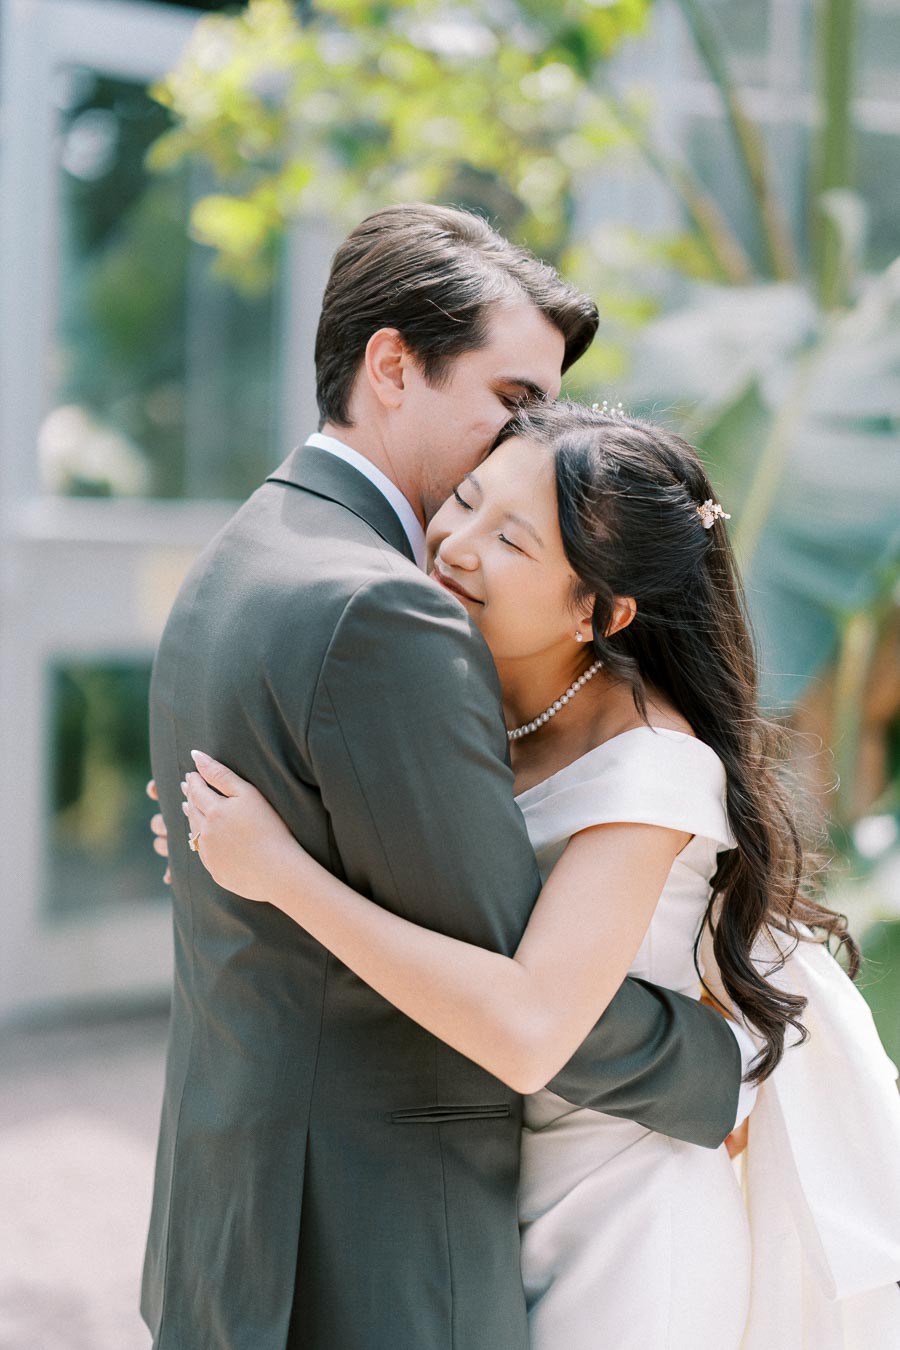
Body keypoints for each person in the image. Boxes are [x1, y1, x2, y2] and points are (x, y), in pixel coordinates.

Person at [141, 204, 759, 1350]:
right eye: (513, 406)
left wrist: (279, 871)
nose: (469, 525)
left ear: (599, 608)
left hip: (577, 1216)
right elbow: (497, 958)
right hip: (376, 1226)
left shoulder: (249, 547)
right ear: (391, 365)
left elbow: (522, 993)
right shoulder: (388, 610)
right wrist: (704, 1066)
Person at [176, 401, 900, 1349]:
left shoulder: (651, 761)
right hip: (489, 1185)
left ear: (597, 610)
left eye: (510, 541)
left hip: (629, 1218)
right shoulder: (460, 693)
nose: (456, 545)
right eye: (466, 500)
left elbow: (528, 1030)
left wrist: (282, 873)